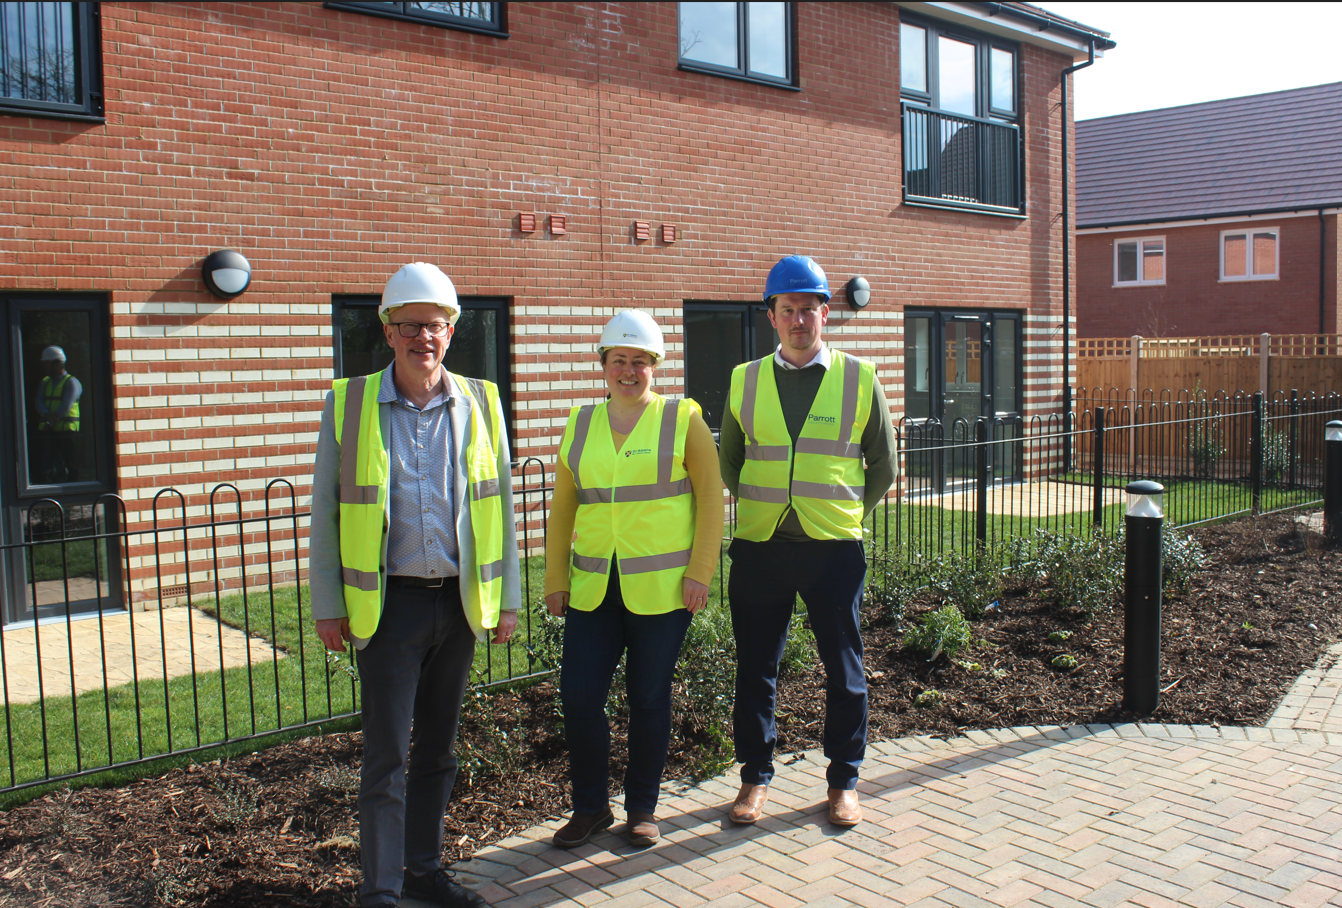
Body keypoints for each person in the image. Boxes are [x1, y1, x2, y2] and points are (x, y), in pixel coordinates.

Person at [309, 262, 520, 908]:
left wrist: (507, 597)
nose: (422, 337)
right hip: (388, 607)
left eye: (434, 326)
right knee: (386, 758)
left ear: (451, 332)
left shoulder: (482, 402)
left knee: (438, 751)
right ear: (388, 330)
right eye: (409, 326)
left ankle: (424, 870)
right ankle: (381, 888)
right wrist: (327, 603)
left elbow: (502, 504)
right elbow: (326, 510)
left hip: (458, 605)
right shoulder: (348, 403)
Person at [718, 255, 896, 828]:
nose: (798, 320)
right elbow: (731, 463)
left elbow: (884, 467)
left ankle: (843, 781)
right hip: (760, 548)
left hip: (832, 550)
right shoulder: (743, 380)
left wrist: (843, 513)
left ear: (826, 312)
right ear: (771, 317)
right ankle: (753, 779)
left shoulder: (860, 378)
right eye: (786, 310)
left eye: (808, 309)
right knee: (755, 669)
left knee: (844, 668)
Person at [544, 309, 724, 849]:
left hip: (664, 590)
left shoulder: (681, 418)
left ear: (655, 366)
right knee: (578, 699)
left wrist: (700, 571)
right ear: (603, 364)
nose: (629, 370)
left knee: (648, 698)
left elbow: (712, 499)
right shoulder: (579, 423)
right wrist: (555, 578)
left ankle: (642, 808)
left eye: (640, 361)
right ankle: (590, 808)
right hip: (594, 589)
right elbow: (563, 510)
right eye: (619, 360)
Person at [33, 345, 83, 483]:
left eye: (47, 364)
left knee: (71, 464)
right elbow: (39, 400)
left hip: (67, 431)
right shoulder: (45, 382)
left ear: (57, 364)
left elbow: (66, 405)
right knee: (48, 466)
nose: (44, 367)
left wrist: (50, 421)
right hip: (48, 432)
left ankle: (74, 496)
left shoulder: (72, 383)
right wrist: (46, 414)